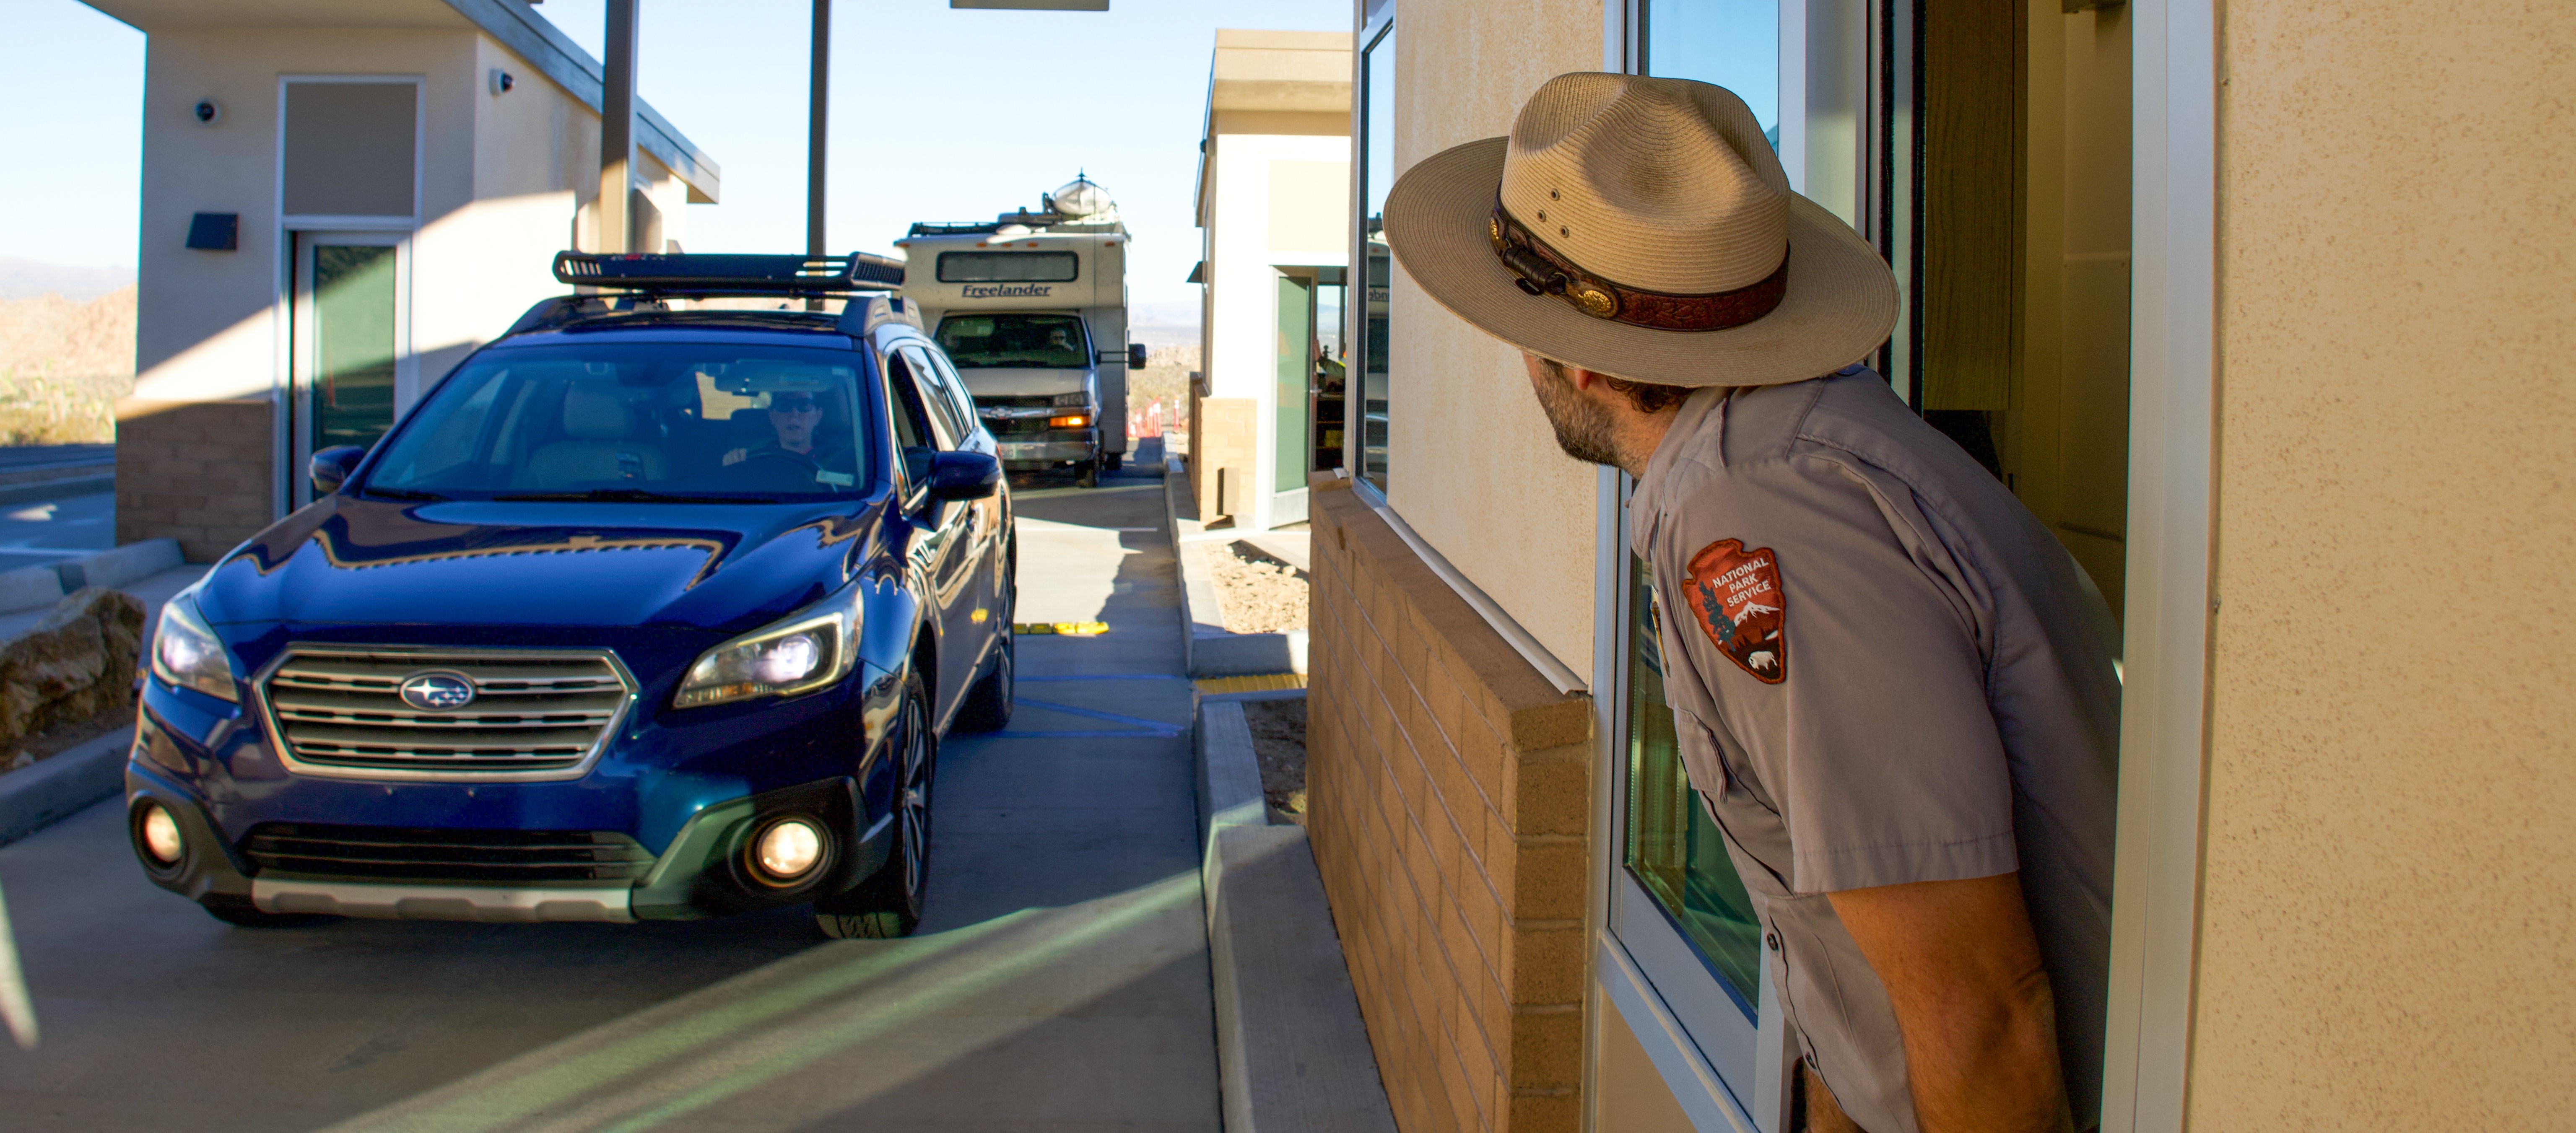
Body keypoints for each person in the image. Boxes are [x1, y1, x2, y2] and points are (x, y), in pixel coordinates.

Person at [1381, 73, 2119, 1133]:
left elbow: (1982, 1015)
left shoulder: (1756, 508)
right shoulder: (1795, 450)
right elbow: (1847, 948)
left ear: (1578, 362)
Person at [722, 391, 857, 487]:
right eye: (784, 405)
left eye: (804, 405)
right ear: (772, 417)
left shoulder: (842, 461)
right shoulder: (749, 459)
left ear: (818, 416)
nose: (794, 414)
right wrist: (733, 471)